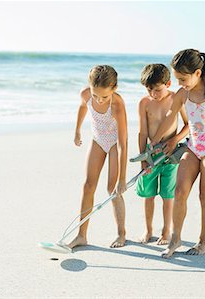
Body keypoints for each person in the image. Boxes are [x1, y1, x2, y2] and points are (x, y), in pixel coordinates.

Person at [149, 49, 205, 258]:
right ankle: (176, 239)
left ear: (198, 73)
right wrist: (154, 141)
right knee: (179, 192)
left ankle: (204, 241)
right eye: (177, 79)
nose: (180, 83)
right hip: (193, 147)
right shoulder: (183, 93)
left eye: (183, 78)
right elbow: (169, 116)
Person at [68, 65, 128, 249]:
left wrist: (122, 178)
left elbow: (123, 143)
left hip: (114, 144)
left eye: (104, 96)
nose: (99, 100)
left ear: (114, 89)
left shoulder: (117, 104)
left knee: (112, 188)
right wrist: (77, 130)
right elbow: (82, 107)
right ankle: (81, 235)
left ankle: (121, 233)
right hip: (97, 140)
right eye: (95, 95)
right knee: (88, 186)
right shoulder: (86, 94)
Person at [136, 64, 189, 245]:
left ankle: (166, 231)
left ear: (168, 83)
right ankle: (148, 230)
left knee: (168, 196)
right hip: (151, 156)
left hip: (171, 155)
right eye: (149, 89)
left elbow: (188, 124)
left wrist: (175, 140)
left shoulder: (176, 98)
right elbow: (142, 133)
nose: (153, 94)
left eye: (157, 90)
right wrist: (143, 159)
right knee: (148, 195)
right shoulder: (144, 103)